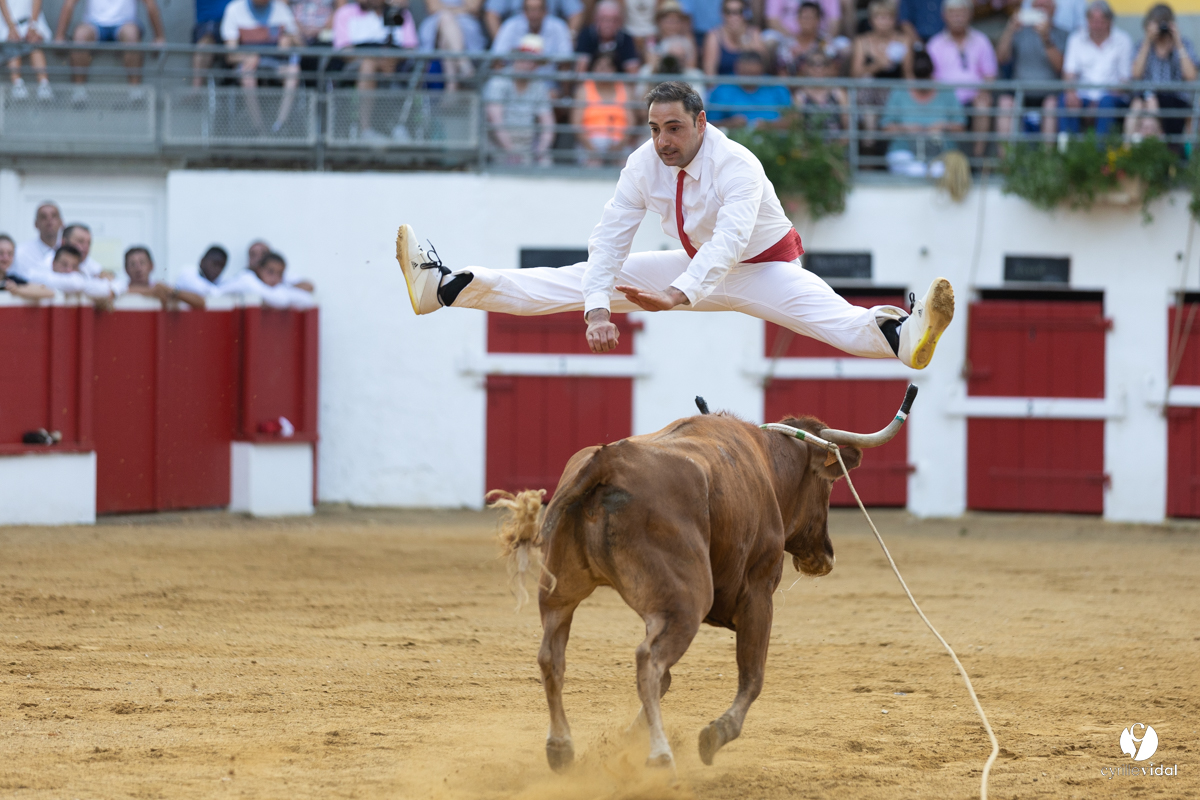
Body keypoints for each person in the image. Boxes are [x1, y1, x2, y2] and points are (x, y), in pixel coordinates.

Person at [397, 80, 955, 372]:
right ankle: (444, 287)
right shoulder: (644, 163)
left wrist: (678, 294)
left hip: (764, 270)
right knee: (574, 278)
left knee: (834, 319)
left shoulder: (738, 164)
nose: (662, 140)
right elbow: (611, 237)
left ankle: (905, 337)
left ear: (701, 122)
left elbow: (730, 242)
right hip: (690, 268)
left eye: (673, 128)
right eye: (654, 128)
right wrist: (597, 309)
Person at [331, 0, 417, 139]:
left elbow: (410, 47)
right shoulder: (345, 13)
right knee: (368, 65)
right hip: (355, 66)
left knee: (394, 69)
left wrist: (393, 59)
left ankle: (395, 125)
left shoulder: (400, 13)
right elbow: (344, 50)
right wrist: (375, 60)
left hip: (394, 65)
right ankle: (365, 130)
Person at [53, 0, 167, 101]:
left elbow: (150, 3)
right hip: (93, 23)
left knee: (131, 35)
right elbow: (69, 3)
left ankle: (135, 90)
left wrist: (159, 37)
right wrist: (59, 36)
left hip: (125, 22)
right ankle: (79, 90)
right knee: (80, 36)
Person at [926, 0, 996, 158]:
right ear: (944, 16)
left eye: (961, 13)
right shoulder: (935, 44)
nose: (957, 18)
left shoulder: (981, 41)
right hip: (944, 99)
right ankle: (945, 158)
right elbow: (931, 78)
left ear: (970, 15)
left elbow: (990, 75)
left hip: (974, 98)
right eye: (953, 13)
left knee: (983, 104)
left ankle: (977, 158)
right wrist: (943, 97)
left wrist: (983, 92)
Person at [220, 0, 302, 134]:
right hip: (249, 66)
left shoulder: (281, 9)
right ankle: (258, 129)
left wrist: (290, 38)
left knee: (293, 70)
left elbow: (302, 45)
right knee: (247, 72)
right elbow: (230, 55)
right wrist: (246, 57)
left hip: (276, 64)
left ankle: (280, 126)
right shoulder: (233, 9)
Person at [881, 49, 965, 176]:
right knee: (916, 171)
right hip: (904, 151)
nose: (922, 82)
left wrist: (943, 126)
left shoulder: (946, 91)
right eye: (918, 77)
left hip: (940, 153)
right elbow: (886, 128)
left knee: (938, 172)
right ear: (911, 74)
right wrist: (905, 128)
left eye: (926, 77)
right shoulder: (899, 92)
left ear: (932, 73)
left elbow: (960, 128)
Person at [995, 0, 1066, 142]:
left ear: (1054, 9)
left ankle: (1047, 156)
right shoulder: (1019, 31)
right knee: (1004, 102)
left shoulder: (1062, 34)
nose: (1041, 10)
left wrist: (1046, 38)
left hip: (1049, 95)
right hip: (1020, 93)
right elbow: (1001, 59)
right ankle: (1006, 156)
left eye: (1045, 6)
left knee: (1051, 105)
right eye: (1038, 6)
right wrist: (1010, 29)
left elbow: (1060, 66)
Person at [1061, 0, 1131, 135]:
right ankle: (1068, 144)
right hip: (1082, 96)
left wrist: (1099, 102)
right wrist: (1071, 93)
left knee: (1106, 103)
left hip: (1111, 97)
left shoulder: (1123, 40)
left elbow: (1125, 80)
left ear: (1110, 21)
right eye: (1093, 21)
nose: (1096, 26)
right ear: (1087, 21)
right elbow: (1069, 72)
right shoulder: (1075, 39)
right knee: (1065, 100)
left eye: (1101, 22)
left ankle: (1102, 147)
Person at [484, 34, 556, 165]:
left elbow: (548, 125)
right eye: (524, 58)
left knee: (546, 164)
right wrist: (511, 151)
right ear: (516, 58)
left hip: (528, 146)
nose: (528, 64)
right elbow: (496, 123)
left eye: (534, 61)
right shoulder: (498, 81)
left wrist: (541, 151)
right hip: (499, 147)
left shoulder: (539, 86)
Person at [1129, 3, 1196, 141]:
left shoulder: (1184, 44)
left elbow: (1191, 76)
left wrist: (1177, 42)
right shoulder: (1142, 45)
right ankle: (1129, 147)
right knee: (1140, 104)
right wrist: (1147, 41)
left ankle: (1156, 146)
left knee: (1149, 102)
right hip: (1147, 98)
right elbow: (1136, 74)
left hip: (1176, 99)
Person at [851, 0, 912, 144]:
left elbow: (908, 75)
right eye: (879, 17)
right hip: (868, 96)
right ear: (871, 20)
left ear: (894, 20)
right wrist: (878, 65)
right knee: (866, 81)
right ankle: (870, 136)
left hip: (895, 93)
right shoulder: (861, 41)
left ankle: (881, 138)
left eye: (888, 17)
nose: (884, 22)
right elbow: (855, 74)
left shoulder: (904, 40)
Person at [572, 51, 633, 166]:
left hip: (619, 142)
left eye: (608, 67)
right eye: (599, 67)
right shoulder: (583, 90)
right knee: (593, 165)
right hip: (590, 141)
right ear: (593, 69)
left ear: (615, 70)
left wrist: (619, 146)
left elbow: (631, 124)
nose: (603, 71)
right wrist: (591, 149)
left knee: (626, 166)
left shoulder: (625, 89)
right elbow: (576, 124)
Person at [706, 51, 792, 128]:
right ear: (736, 69)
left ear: (762, 71)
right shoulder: (722, 89)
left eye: (753, 74)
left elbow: (793, 119)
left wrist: (769, 126)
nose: (749, 78)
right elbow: (709, 125)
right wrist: (730, 124)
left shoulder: (776, 87)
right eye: (745, 74)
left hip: (774, 137)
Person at [115, 246, 207, 309]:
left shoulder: (162, 289)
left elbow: (200, 303)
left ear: (151, 266)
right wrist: (153, 291)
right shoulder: (118, 288)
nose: (138, 268)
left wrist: (173, 292)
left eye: (142, 263)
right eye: (133, 264)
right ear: (126, 269)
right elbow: (123, 290)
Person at [220, 251, 318, 308]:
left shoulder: (278, 286)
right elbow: (280, 300)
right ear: (259, 269)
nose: (275, 278)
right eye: (270, 272)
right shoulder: (247, 279)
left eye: (279, 274)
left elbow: (307, 299)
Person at [0, 0, 53, 99]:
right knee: (12, 46)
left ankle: (44, 84)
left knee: (35, 46)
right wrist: (11, 28)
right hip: (7, 25)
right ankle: (17, 84)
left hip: (30, 24)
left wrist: (32, 26)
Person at [574, 0, 641, 74]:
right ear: (596, 19)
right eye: (604, 19)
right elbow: (580, 71)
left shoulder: (626, 39)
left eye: (613, 20)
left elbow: (633, 74)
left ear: (620, 22)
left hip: (617, 81)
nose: (608, 24)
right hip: (591, 80)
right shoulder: (586, 36)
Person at [33, 244, 118, 300]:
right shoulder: (39, 272)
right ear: (53, 263)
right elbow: (76, 283)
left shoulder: (82, 277)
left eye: (74, 266)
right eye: (64, 264)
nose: (69, 270)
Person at [702, 0, 765, 76]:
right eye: (728, 12)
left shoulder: (754, 33)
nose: (733, 17)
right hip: (724, 82)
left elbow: (763, 66)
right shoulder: (714, 36)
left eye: (738, 12)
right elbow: (709, 72)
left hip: (751, 82)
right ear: (722, 14)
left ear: (745, 14)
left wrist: (745, 43)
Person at [491, 0, 573, 56]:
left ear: (545, 11)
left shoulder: (558, 27)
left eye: (538, 10)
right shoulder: (510, 26)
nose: (534, 15)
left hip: (549, 75)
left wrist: (543, 60)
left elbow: (566, 59)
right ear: (523, 11)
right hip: (514, 75)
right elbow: (497, 57)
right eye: (530, 10)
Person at [794, 51, 849, 133]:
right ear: (806, 68)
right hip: (808, 140)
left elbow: (848, 128)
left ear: (829, 68)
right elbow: (798, 129)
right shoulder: (800, 96)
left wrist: (839, 141)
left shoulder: (839, 93)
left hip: (836, 140)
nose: (818, 69)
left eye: (823, 63)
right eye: (812, 64)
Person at [774, 1, 829, 76]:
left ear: (818, 20)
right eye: (804, 17)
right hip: (794, 82)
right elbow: (782, 72)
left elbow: (834, 70)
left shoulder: (825, 42)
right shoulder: (788, 43)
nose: (807, 21)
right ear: (798, 19)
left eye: (811, 18)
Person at [10, 201, 60, 281]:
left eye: (53, 216)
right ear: (36, 223)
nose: (49, 220)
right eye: (43, 217)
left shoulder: (71, 252)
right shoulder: (20, 253)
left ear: (61, 222)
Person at [0, 234, 54, 301]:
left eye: (10, 254)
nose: (5, 258)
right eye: (1, 253)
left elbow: (49, 292)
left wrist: (16, 289)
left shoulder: (11, 280)